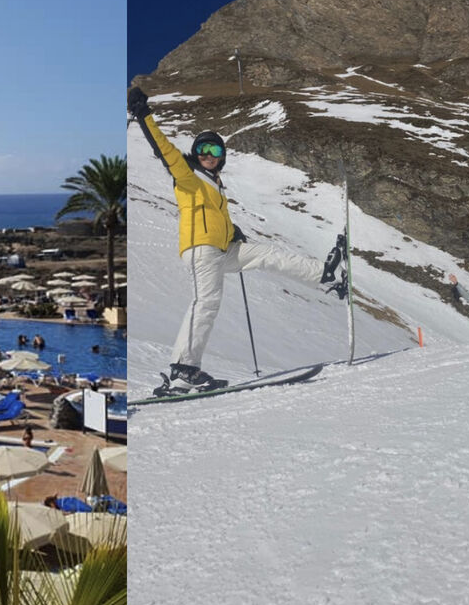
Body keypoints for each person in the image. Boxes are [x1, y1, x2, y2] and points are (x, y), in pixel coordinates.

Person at [129, 85, 324, 390]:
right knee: (205, 301)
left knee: (265, 254)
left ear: (222, 157)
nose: (209, 155)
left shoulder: (215, 185)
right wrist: (143, 115)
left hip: (223, 249)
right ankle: (183, 367)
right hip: (200, 250)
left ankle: (322, 274)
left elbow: (217, 217)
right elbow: (164, 150)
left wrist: (233, 231)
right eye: (203, 150)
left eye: (215, 150)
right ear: (195, 154)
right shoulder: (187, 175)